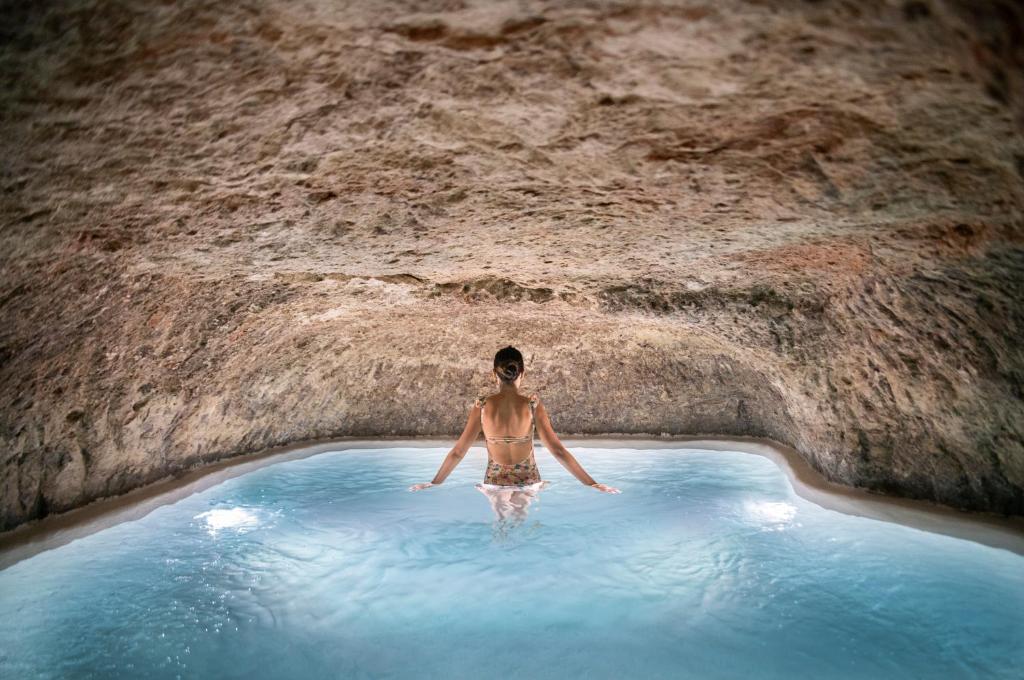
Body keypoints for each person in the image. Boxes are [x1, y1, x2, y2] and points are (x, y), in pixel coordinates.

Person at [409, 345, 621, 495]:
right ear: (522, 373)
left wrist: (434, 483)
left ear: (494, 374)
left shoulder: (482, 405)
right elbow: (558, 451)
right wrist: (592, 484)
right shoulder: (532, 404)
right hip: (528, 481)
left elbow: (458, 452)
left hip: (494, 483)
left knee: (501, 531)